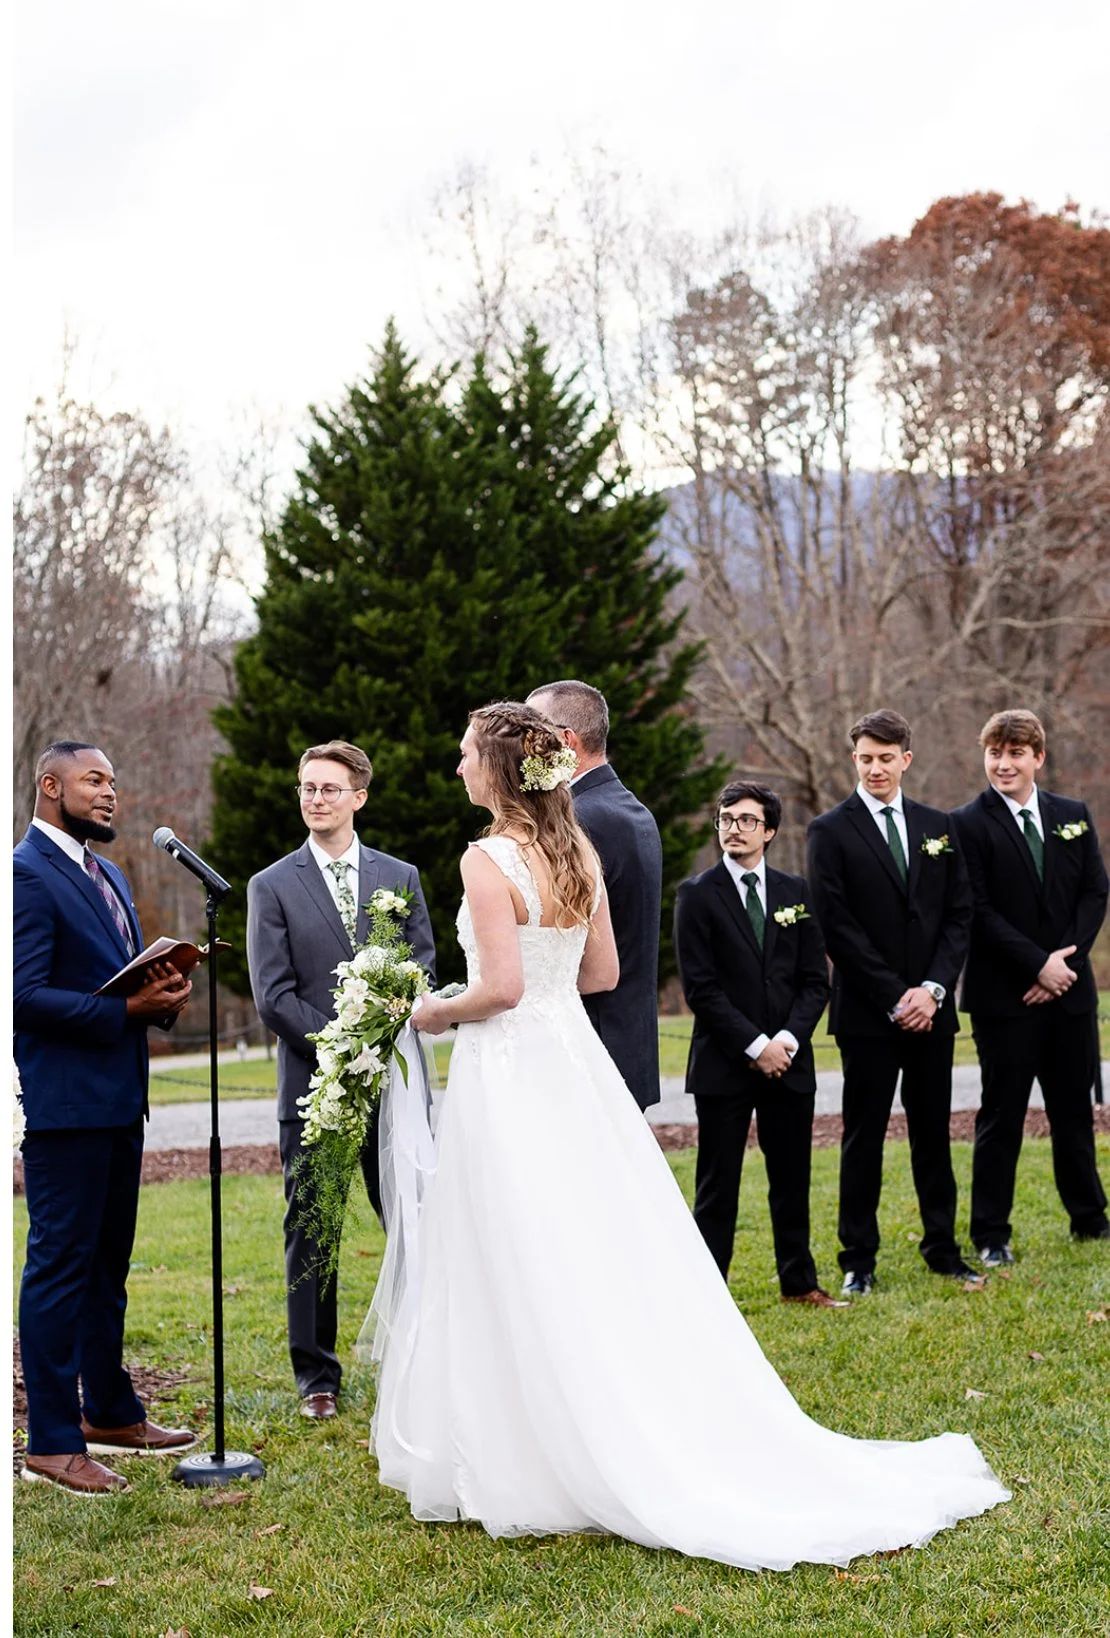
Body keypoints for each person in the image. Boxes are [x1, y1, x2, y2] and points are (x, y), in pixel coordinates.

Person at [366, 700, 1008, 1569]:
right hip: (575, 1065)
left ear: (498, 769)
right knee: (585, 1242)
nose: (456, 769)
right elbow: (603, 971)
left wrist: (434, 1009)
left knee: (510, 1240)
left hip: (511, 1071)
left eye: (464, 754)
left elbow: (504, 990)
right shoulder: (576, 849)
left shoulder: (486, 859)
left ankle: (527, 1442)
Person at [14, 742, 197, 1495]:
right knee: (60, 1269)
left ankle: (111, 1413)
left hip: (121, 1098)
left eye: (114, 781)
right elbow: (22, 997)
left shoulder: (111, 874)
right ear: (50, 785)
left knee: (105, 1270)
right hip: (65, 1107)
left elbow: (110, 983)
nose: (110, 793)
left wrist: (161, 997)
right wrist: (124, 1008)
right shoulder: (25, 875)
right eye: (95, 780)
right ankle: (52, 1441)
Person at [246, 740, 436, 1420]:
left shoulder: (400, 876)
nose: (316, 798)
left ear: (359, 796)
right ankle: (317, 1378)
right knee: (315, 1231)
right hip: (316, 1089)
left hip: (394, 1088)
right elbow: (274, 995)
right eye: (307, 788)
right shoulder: (270, 885)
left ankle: (428, 1352)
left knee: (414, 1220)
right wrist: (339, 1051)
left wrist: (381, 1040)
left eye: (329, 788)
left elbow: (422, 970)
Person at [806, 710, 980, 1294]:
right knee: (864, 1136)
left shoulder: (939, 826)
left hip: (933, 1012)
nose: (875, 767)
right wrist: (893, 994)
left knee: (934, 1133)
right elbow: (835, 925)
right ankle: (858, 1259)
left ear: (906, 759)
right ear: (853, 760)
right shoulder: (829, 831)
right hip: (868, 1014)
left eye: (886, 757)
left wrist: (932, 990)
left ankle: (943, 1249)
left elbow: (959, 915)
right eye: (865, 758)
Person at [951, 710, 1109, 1262]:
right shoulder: (966, 824)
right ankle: (991, 1234)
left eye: (1016, 752)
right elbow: (976, 909)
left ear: (1037, 757)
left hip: (1070, 996)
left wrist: (1064, 964)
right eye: (995, 752)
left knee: (1074, 1115)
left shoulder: (1073, 814)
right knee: (1001, 1117)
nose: (1003, 763)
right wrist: (1036, 967)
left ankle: (1090, 1219)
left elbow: (1095, 892)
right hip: (1005, 1000)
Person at [674, 780, 839, 1304]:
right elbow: (701, 988)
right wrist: (755, 1045)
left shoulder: (796, 894)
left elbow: (816, 980)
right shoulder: (696, 895)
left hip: (789, 1061)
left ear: (769, 830)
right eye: (725, 819)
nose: (733, 829)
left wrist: (786, 1040)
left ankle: (799, 1283)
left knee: (791, 1179)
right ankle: (708, 1295)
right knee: (717, 1185)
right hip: (725, 1064)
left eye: (746, 820)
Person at [526, 680, 663, 1110]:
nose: (524, 745)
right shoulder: (628, 808)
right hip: (626, 1037)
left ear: (566, 740)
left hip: (591, 1042)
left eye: (533, 731)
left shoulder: (579, 819)